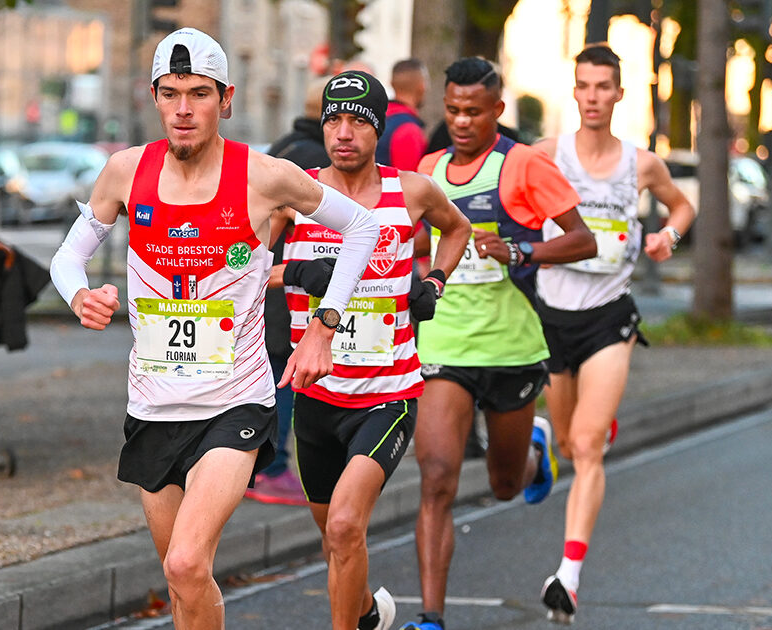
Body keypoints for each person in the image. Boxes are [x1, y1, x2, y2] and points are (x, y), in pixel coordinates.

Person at [48, 28, 380, 630]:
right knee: (185, 586)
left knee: (183, 563)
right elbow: (66, 258)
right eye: (170, 93)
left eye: (199, 94)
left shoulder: (264, 175)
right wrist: (78, 295)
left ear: (225, 99)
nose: (183, 109)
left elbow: (362, 227)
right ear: (153, 96)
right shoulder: (125, 172)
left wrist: (323, 326)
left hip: (234, 404)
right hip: (152, 406)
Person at [267, 69, 471, 630]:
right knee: (336, 539)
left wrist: (434, 283)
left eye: (358, 120)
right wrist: (297, 271)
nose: (343, 132)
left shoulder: (412, 192)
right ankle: (366, 615)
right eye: (334, 118)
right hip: (314, 393)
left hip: (388, 393)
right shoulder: (296, 192)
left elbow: (458, 230)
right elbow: (242, 266)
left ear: (379, 128)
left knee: (343, 527)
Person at [401, 57, 596, 630]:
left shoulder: (524, 166)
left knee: (505, 485)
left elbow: (582, 241)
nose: (461, 122)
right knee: (436, 476)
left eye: (474, 112)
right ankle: (431, 617)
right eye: (453, 110)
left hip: (511, 346)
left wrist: (520, 251)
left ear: (496, 112)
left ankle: (535, 452)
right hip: (444, 342)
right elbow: (412, 240)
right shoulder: (429, 166)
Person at [532, 45, 695, 623]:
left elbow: (681, 207)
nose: (594, 96)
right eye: (584, 86)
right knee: (568, 443)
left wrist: (665, 240)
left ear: (619, 94)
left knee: (590, 445)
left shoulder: (641, 164)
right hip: (553, 316)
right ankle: (552, 440)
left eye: (604, 86)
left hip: (609, 315)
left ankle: (568, 577)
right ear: (574, 92)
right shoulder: (546, 155)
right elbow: (506, 199)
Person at [246, 76, 332, 506]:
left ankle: (254, 468)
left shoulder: (282, 146)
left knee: (266, 369)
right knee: (281, 373)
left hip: (264, 274)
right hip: (286, 282)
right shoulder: (317, 161)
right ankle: (273, 467)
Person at [377, 58, 429, 171]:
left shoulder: (376, 118)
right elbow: (408, 183)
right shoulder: (408, 129)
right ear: (422, 86)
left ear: (391, 84)